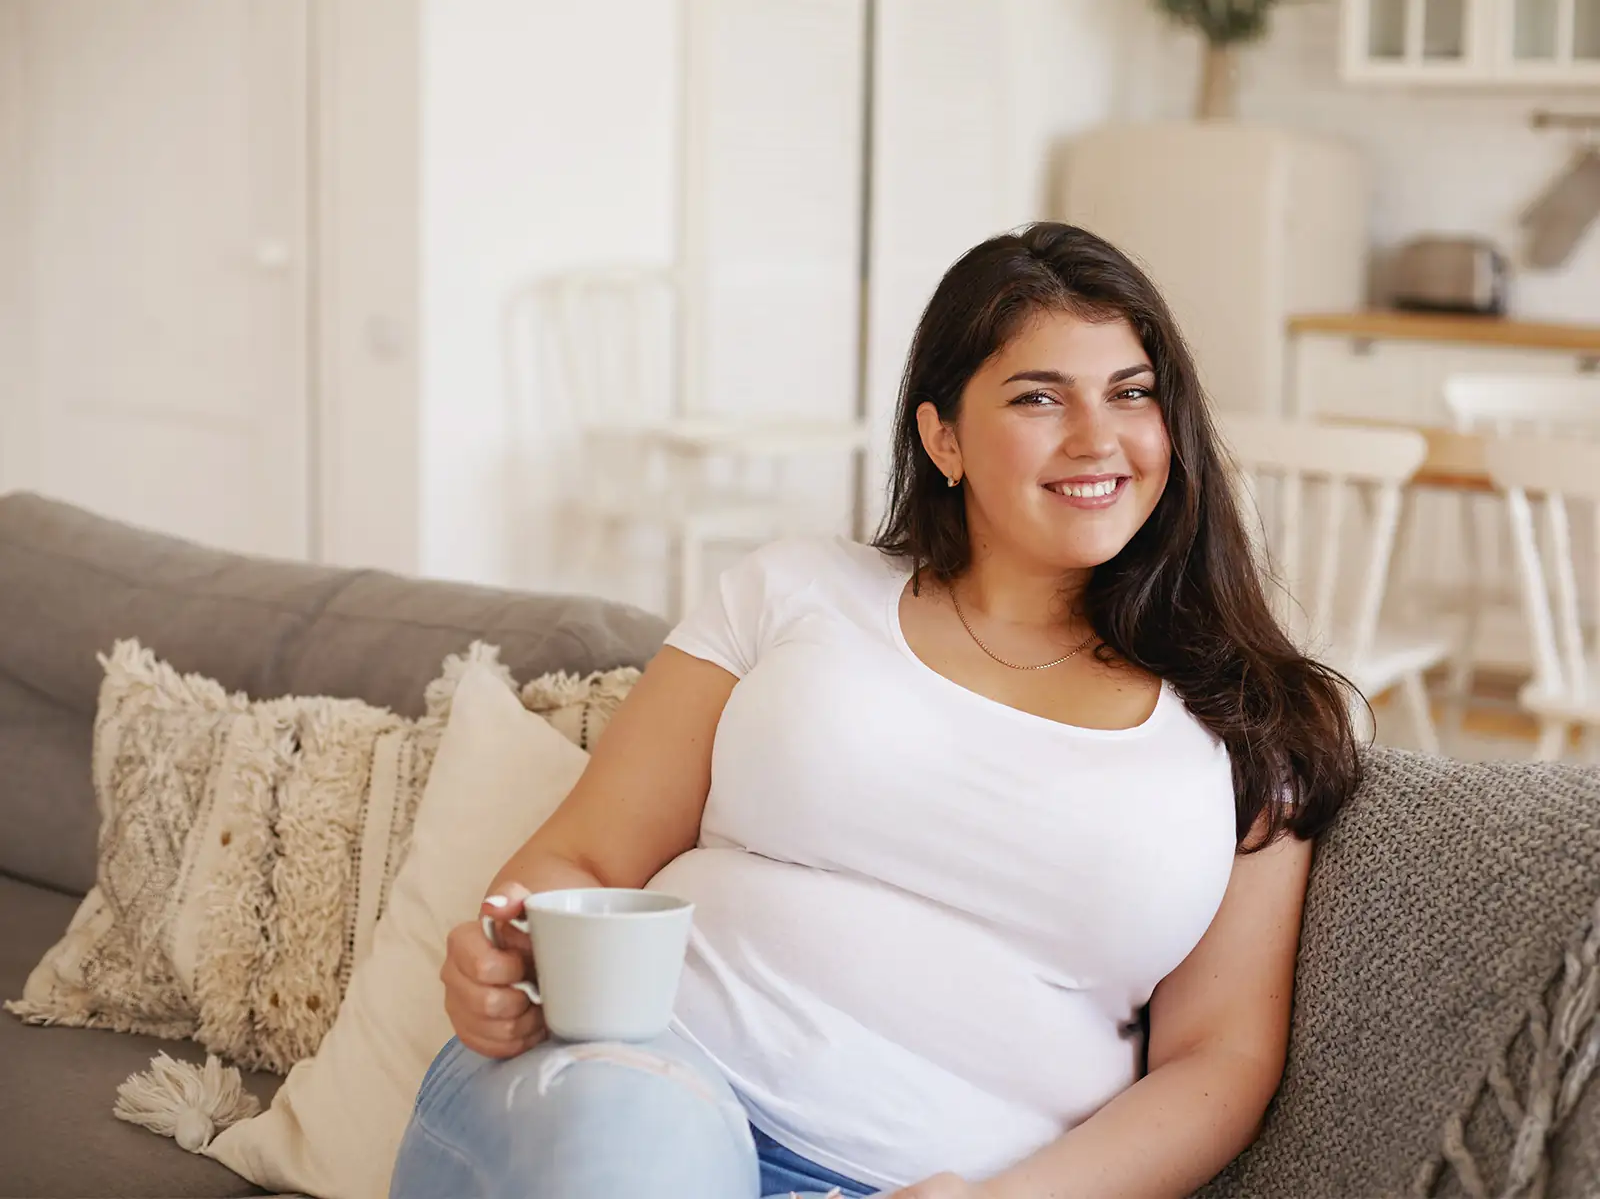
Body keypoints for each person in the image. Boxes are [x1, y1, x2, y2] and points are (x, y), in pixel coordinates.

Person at [389, 222, 1362, 1199]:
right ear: (944, 438)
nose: (1097, 438)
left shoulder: (1251, 725)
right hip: (630, 1088)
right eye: (1038, 397)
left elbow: (1218, 1063)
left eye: (1131, 393)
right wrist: (504, 961)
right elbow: (586, 862)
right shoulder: (796, 590)